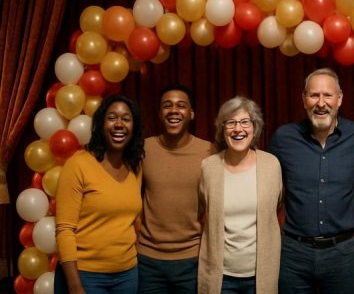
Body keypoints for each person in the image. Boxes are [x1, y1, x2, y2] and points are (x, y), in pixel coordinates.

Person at [269, 68, 354, 294]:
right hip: (294, 253)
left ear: (339, 99)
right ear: (304, 100)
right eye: (314, 95)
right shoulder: (284, 138)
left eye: (327, 95)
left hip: (341, 253)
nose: (321, 103)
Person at [55, 94, 145, 293]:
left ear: (134, 127)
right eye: (112, 118)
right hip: (86, 275)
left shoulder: (135, 167)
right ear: (101, 124)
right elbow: (65, 229)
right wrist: (74, 285)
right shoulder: (78, 164)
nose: (119, 124)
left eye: (126, 119)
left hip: (127, 274)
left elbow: (134, 221)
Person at [197, 96, 282, 294]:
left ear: (255, 128)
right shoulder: (209, 167)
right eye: (231, 123)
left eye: (245, 122)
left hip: (260, 276)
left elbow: (276, 208)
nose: (238, 129)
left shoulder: (271, 165)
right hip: (221, 277)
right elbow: (202, 211)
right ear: (222, 128)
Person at [137, 84, 214, 293]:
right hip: (148, 259)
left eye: (181, 106)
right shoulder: (143, 149)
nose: (173, 110)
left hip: (192, 258)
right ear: (159, 113)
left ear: (191, 114)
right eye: (167, 106)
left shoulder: (209, 151)